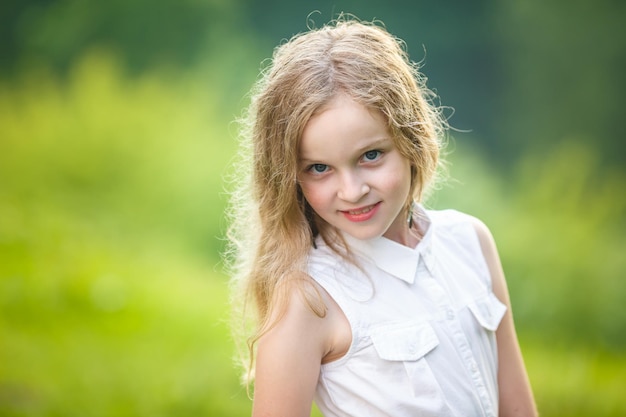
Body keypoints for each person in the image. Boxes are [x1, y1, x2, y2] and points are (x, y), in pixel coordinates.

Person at [227, 17, 537, 417]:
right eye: (319, 168)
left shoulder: (470, 240)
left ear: (411, 139)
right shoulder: (307, 299)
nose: (352, 190)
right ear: (290, 178)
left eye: (371, 155)